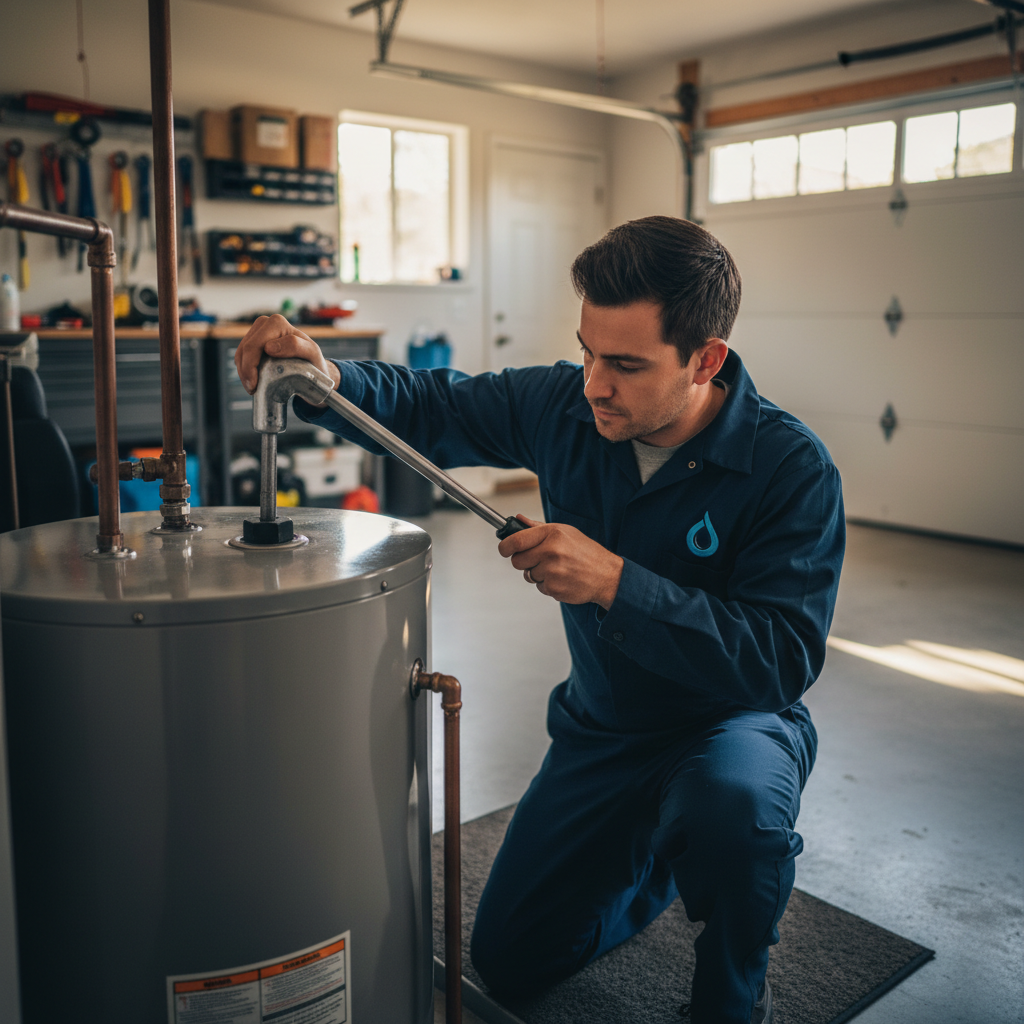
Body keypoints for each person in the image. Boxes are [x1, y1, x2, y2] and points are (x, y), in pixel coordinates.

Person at [235, 216, 845, 1024]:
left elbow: (779, 659)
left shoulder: (790, 469)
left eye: (626, 364)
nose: (595, 382)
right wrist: (324, 376)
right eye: (589, 350)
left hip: (728, 727)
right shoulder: (565, 405)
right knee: (512, 959)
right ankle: (658, 867)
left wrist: (618, 584)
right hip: (604, 732)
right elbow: (429, 403)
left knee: (729, 811)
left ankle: (735, 978)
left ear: (706, 360)